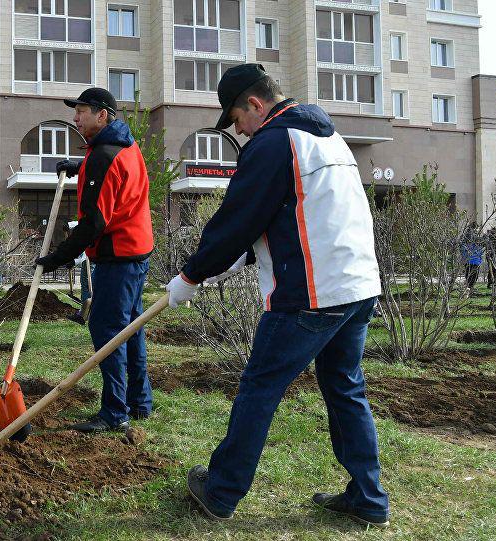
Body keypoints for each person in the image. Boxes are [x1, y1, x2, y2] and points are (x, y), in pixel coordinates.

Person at [164, 64, 389, 527]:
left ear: (255, 105)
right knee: (345, 388)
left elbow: (238, 218)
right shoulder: (328, 137)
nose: (240, 132)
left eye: (237, 120)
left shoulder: (273, 142)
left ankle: (221, 491)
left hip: (310, 293)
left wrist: (191, 274)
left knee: (259, 387)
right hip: (358, 286)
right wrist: (245, 258)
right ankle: (368, 499)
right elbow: (298, 213)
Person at [36, 87, 154, 433]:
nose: (75, 118)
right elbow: (112, 179)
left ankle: (115, 413)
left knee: (108, 331)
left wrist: (59, 257)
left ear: (103, 115)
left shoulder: (104, 156)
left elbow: (95, 222)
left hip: (117, 256)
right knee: (131, 328)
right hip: (136, 251)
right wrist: (78, 166)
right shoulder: (125, 146)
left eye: (82, 111)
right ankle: (139, 402)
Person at [460, 222, 483, 294]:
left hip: (469, 259)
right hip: (474, 259)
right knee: (473, 276)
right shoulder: (473, 236)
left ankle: (469, 289)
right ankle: (469, 289)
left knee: (469, 275)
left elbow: (461, 247)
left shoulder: (464, 236)